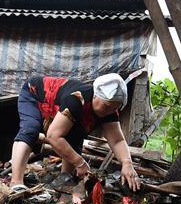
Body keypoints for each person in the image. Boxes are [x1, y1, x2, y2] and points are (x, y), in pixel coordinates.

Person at [10, 73, 141, 192]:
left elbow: (117, 140)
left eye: (115, 108)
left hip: (62, 108)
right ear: (96, 94)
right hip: (35, 93)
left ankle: (62, 183)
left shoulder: (110, 111)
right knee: (30, 129)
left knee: (76, 138)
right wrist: (80, 163)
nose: (110, 111)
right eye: (106, 106)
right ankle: (16, 183)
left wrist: (127, 163)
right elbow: (53, 136)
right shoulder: (77, 100)